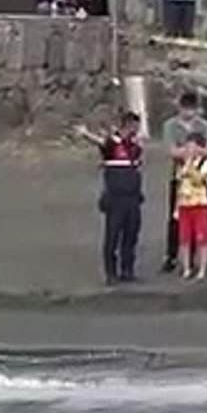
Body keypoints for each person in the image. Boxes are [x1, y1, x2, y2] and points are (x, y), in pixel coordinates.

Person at [75, 110, 144, 285]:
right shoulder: (112, 144)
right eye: (134, 126)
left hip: (133, 198)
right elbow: (99, 142)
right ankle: (111, 273)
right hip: (116, 198)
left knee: (131, 235)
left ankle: (127, 270)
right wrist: (85, 134)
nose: (136, 130)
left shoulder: (135, 147)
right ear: (126, 126)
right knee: (112, 236)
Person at [162, 92, 207, 273]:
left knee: (202, 217)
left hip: (201, 176)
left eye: (192, 109)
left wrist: (190, 151)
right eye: (185, 109)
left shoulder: (203, 125)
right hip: (180, 176)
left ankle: (196, 256)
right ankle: (172, 256)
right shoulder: (170, 125)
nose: (189, 113)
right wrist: (191, 151)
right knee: (176, 217)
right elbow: (171, 151)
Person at [175, 133, 207, 280]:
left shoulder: (204, 163)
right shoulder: (180, 164)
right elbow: (179, 183)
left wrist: (190, 166)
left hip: (200, 204)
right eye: (187, 146)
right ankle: (186, 267)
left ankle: (202, 268)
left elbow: (201, 181)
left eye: (192, 146)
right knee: (184, 238)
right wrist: (176, 207)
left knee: (201, 237)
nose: (189, 149)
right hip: (184, 205)